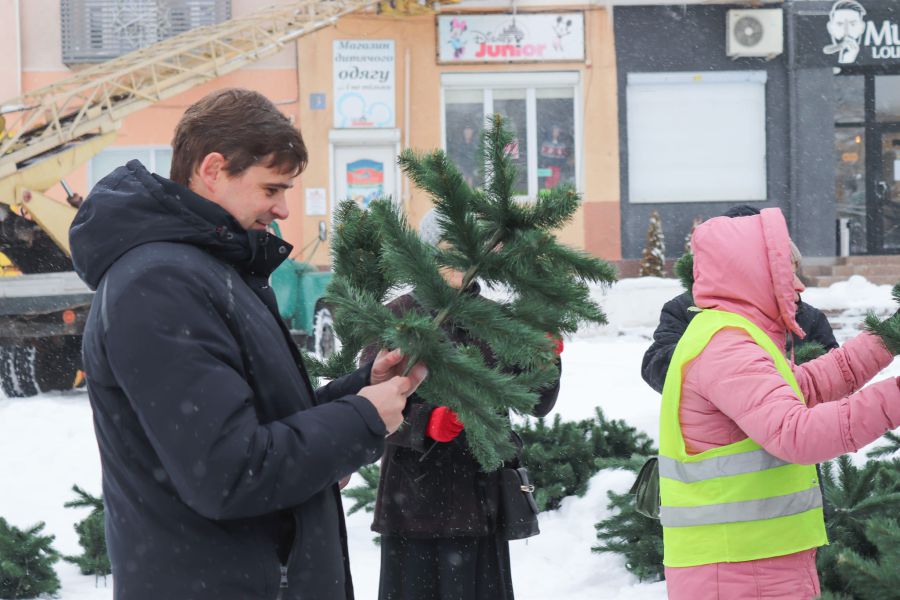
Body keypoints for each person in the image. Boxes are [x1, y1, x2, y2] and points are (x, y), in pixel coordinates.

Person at [68, 88, 427, 600]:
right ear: (213, 170)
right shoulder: (160, 285)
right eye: (271, 188)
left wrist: (359, 391)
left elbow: (256, 426)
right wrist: (361, 419)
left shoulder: (208, 269)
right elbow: (232, 471)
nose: (282, 208)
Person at [658, 207, 900, 599]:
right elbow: (796, 434)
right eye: (787, 271)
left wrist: (889, 337)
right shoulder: (727, 346)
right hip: (739, 571)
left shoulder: (736, 335)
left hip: (757, 561)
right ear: (753, 273)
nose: (800, 286)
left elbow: (809, 385)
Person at [362, 209, 563, 600]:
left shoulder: (495, 319)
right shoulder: (398, 317)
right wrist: (424, 422)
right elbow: (370, 403)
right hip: (415, 505)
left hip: (480, 502)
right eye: (449, 249)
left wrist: (546, 362)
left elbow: (537, 402)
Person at [641, 205, 838, 394]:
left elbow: (834, 377)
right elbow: (655, 366)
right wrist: (726, 365)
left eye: (789, 271)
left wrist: (791, 371)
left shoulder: (808, 318)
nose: (795, 285)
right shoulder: (686, 309)